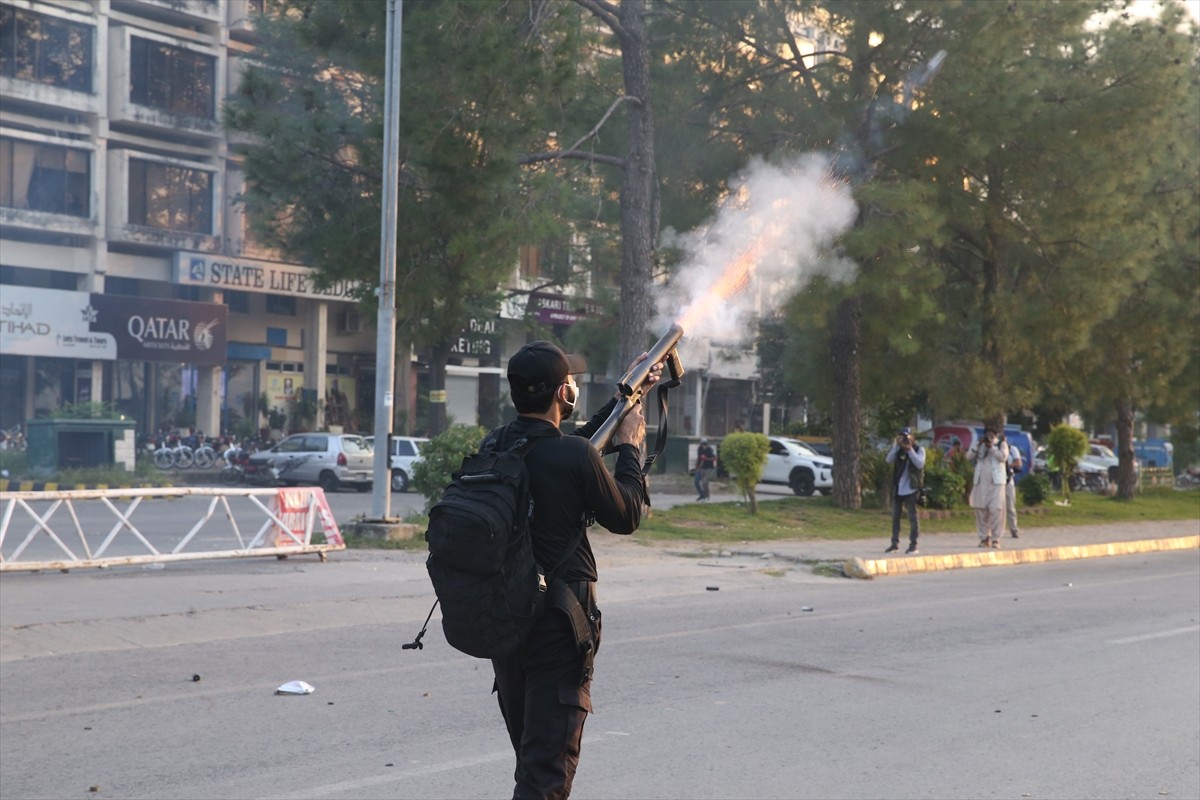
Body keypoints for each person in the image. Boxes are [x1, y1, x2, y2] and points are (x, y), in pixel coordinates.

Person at [491, 340, 661, 799]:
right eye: (571, 382)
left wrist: (627, 395)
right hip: (557, 627)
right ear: (563, 395)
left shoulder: (499, 445)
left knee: (533, 762)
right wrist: (630, 447)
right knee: (546, 776)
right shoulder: (571, 457)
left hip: (506, 625)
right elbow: (626, 515)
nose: (574, 388)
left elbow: (578, 446)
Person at [884, 426, 926, 554]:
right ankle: (894, 544)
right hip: (898, 488)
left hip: (911, 489)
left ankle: (913, 545)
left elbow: (920, 464)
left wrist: (910, 449)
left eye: (907, 437)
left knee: (913, 517)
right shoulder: (898, 450)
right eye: (902, 437)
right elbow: (888, 460)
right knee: (895, 517)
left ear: (912, 438)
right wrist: (896, 446)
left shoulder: (919, 450)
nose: (905, 439)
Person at [968, 427, 1009, 548]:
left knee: (996, 510)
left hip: (996, 483)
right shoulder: (980, 445)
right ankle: (984, 538)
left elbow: (1003, 457)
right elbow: (968, 456)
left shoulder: (1002, 444)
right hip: (981, 483)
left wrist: (992, 448)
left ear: (996, 436)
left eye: (992, 436)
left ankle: (996, 539)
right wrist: (978, 446)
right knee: (981, 510)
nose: (989, 438)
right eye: (987, 435)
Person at [1006, 437, 1023, 539]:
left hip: (1008, 479)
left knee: (1010, 506)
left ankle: (1014, 528)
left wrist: (1007, 465)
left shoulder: (1012, 449)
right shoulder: (994, 450)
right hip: (995, 480)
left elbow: (1018, 463)